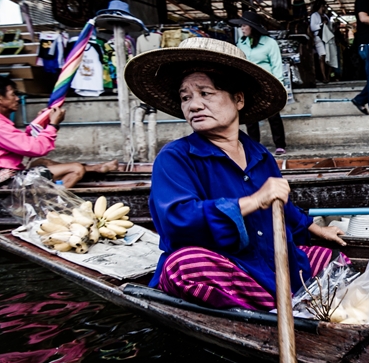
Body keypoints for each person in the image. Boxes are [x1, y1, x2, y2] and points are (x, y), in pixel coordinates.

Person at [123, 38, 347, 311]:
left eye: (205, 93)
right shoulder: (174, 157)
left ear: (238, 99)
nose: (193, 106)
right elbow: (177, 220)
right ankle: (285, 304)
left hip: (269, 261)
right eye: (186, 97)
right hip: (227, 266)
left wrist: (317, 229)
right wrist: (253, 201)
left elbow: (282, 206)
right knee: (182, 267)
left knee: (334, 259)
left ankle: (281, 301)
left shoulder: (260, 155)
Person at [0, 74, 118, 190]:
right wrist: (53, 125)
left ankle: (96, 168)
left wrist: (42, 122)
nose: (17, 98)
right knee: (75, 169)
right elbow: (35, 148)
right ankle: (52, 205)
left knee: (42, 163)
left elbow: (23, 142)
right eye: (13, 94)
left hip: (8, 173)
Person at [230, 11, 288, 156]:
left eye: (244, 25)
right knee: (250, 116)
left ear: (252, 27)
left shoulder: (270, 43)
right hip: (248, 84)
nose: (242, 28)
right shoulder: (241, 43)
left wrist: (279, 87)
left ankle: (280, 144)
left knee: (273, 114)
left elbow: (276, 65)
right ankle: (254, 145)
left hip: (267, 84)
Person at [309, 0, 329, 84]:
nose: (325, 7)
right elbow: (313, 27)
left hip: (326, 38)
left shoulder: (325, 16)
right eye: (324, 6)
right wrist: (321, 24)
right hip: (318, 38)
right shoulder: (314, 15)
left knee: (327, 58)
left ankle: (326, 76)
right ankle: (323, 76)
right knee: (322, 57)